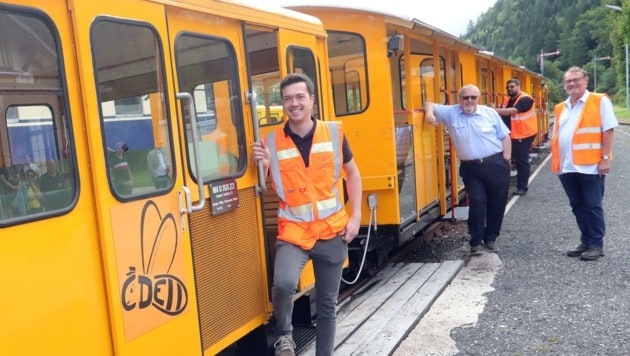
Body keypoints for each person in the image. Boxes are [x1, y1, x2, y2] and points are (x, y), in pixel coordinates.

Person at [252, 73, 362, 356]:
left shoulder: (334, 133)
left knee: (327, 307)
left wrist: (356, 216)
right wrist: (261, 164)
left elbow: (352, 173)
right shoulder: (271, 142)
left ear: (311, 100)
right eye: (288, 99)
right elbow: (264, 184)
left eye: (300, 97)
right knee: (284, 283)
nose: (294, 103)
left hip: (331, 231)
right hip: (294, 233)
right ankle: (284, 336)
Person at [424, 84, 511, 255]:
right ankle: (475, 241)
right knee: (477, 201)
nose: (469, 100)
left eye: (473, 97)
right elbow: (429, 104)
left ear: (478, 99)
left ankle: (491, 238)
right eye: (465, 97)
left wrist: (506, 159)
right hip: (471, 169)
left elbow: (505, 136)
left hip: (496, 163)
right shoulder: (451, 113)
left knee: (497, 203)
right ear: (459, 99)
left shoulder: (489, 113)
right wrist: (428, 114)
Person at [552, 66, 618, 261]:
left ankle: (597, 244)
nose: (572, 83)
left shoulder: (599, 100)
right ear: (564, 85)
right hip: (567, 166)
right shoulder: (560, 108)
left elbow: (608, 130)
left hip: (590, 165)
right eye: (568, 81)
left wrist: (604, 159)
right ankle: (586, 241)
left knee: (592, 205)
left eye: (576, 79)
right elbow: (557, 136)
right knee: (577, 205)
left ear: (585, 80)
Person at [491, 78, 538, 195]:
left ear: (518, 86)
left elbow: (513, 111)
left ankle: (522, 187)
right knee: (504, 159)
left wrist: (494, 110)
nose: (509, 89)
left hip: (524, 134)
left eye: (512, 87)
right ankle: (502, 186)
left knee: (521, 161)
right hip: (510, 135)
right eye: (508, 87)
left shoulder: (526, 99)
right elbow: (502, 112)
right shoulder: (507, 100)